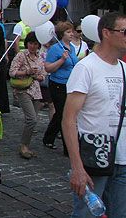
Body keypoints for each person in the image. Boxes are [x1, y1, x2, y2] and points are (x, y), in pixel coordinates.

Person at [63, 12, 126, 218]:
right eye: (124, 31)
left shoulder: (124, 69)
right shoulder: (86, 68)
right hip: (94, 156)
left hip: (122, 158)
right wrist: (77, 167)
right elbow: (69, 119)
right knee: (87, 214)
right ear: (106, 33)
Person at [9, 31, 46, 159]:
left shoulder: (40, 57)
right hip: (23, 90)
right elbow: (12, 72)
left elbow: (43, 75)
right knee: (32, 119)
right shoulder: (21, 55)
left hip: (36, 90)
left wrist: (38, 76)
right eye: (31, 43)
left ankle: (26, 144)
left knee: (32, 121)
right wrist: (27, 71)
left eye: (35, 44)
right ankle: (23, 145)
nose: (33, 46)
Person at [43, 21, 78, 154]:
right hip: (58, 84)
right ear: (61, 34)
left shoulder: (72, 48)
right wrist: (61, 60)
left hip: (70, 85)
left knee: (61, 113)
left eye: (71, 31)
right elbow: (48, 68)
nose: (71, 34)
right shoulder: (55, 49)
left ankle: (48, 137)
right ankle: (67, 147)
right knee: (64, 114)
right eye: (68, 32)